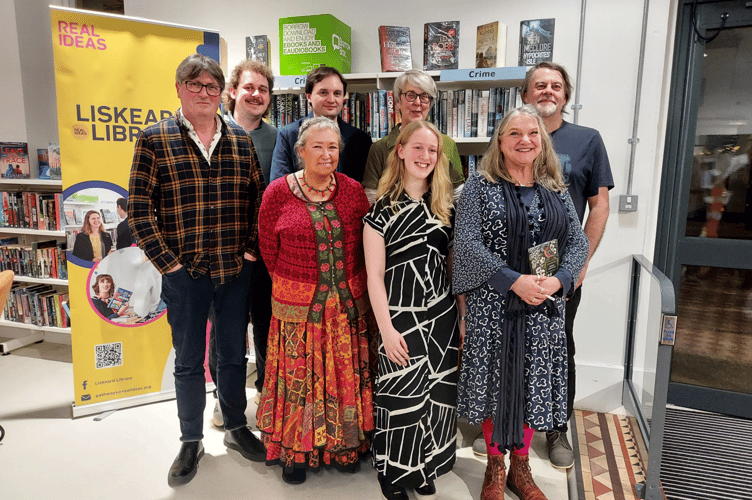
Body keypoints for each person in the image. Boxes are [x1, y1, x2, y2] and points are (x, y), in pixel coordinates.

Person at [128, 53, 266, 487]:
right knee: (188, 362)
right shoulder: (154, 140)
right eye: (195, 85)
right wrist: (169, 264)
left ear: (220, 92)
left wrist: (249, 251)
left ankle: (238, 427)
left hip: (233, 270)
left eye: (211, 86)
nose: (204, 93)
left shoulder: (240, 141)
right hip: (184, 274)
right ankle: (191, 440)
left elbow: (258, 203)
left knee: (232, 354)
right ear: (179, 89)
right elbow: (139, 210)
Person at [453, 105, 588, 500]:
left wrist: (560, 280)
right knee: (497, 384)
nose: (524, 140)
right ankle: (495, 468)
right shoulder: (479, 186)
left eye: (532, 133)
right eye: (514, 133)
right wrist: (514, 281)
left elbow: (577, 243)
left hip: (543, 306)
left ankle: (521, 469)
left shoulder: (555, 188)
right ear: (500, 141)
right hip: (494, 304)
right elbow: (467, 245)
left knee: (532, 383)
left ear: (542, 142)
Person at [257, 117, 376, 485]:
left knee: (343, 379)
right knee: (298, 381)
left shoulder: (354, 191)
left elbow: (363, 244)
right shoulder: (277, 192)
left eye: (333, 148)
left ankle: (344, 446)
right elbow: (268, 247)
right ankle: (296, 450)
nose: (327, 155)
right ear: (301, 151)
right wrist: (299, 282)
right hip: (297, 306)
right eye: (318, 147)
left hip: (346, 306)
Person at [521, 62, 614, 469]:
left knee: (559, 344)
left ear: (566, 95)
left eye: (555, 86)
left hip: (560, 264)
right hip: (514, 263)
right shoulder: (513, 135)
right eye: (539, 85)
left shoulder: (586, 139)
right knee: (514, 343)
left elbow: (600, 205)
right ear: (525, 94)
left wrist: (580, 263)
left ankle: (557, 427)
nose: (547, 91)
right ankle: (512, 421)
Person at [363, 121, 461, 500]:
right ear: (400, 151)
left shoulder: (445, 209)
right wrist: (386, 330)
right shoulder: (380, 213)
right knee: (400, 396)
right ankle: (392, 472)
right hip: (400, 318)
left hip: (441, 319)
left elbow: (452, 268)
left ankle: (424, 466)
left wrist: (460, 318)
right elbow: (374, 277)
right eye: (417, 148)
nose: (425, 156)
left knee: (437, 395)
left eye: (432, 151)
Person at [207, 59, 277, 428]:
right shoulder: (210, 132)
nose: (256, 95)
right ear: (232, 91)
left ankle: (265, 395)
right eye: (249, 87)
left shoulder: (276, 137)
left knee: (266, 326)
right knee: (224, 330)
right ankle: (223, 399)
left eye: (263, 90)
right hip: (223, 251)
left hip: (264, 253)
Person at [362, 69, 465, 204]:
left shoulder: (447, 144)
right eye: (411, 95)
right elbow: (371, 199)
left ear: (430, 104)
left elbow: (458, 196)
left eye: (424, 97)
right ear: (398, 101)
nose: (417, 102)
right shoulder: (379, 148)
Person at [269, 66, 372, 183]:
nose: (331, 99)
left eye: (337, 93)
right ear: (308, 97)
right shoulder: (288, 134)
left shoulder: (360, 139)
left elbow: (363, 189)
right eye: (323, 93)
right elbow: (278, 186)